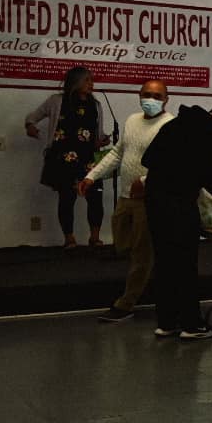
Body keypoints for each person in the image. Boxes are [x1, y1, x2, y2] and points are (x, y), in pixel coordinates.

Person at [141, 100, 212, 339]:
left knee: (165, 263)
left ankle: (167, 322)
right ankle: (191, 324)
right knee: (186, 264)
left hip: (155, 202)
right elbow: (205, 172)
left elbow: (147, 159)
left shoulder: (175, 124)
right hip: (179, 203)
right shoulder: (209, 133)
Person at [81, 80, 172, 322]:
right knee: (122, 242)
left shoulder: (170, 125)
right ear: (139, 95)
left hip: (149, 198)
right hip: (125, 196)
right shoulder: (132, 120)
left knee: (143, 252)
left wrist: (146, 181)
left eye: (157, 95)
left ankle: (126, 303)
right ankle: (147, 280)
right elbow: (118, 153)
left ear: (166, 99)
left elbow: (170, 163)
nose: (151, 99)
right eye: (146, 94)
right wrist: (92, 176)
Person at [26, 66, 107, 248]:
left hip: (88, 159)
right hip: (63, 158)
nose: (91, 84)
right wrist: (30, 126)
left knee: (95, 197)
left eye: (91, 80)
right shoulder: (56, 101)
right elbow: (32, 117)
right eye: (87, 80)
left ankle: (95, 237)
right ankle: (69, 238)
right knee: (67, 198)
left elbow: (98, 134)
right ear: (75, 81)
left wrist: (102, 140)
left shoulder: (96, 105)